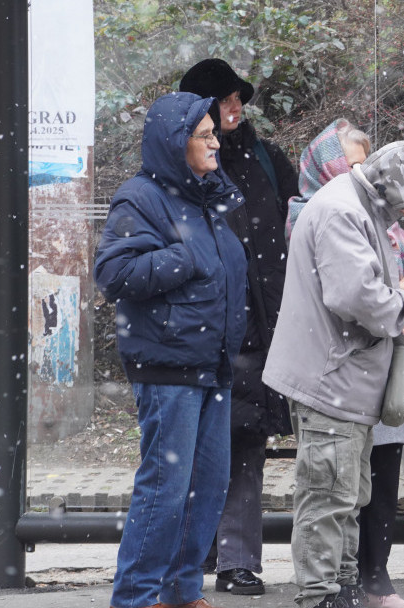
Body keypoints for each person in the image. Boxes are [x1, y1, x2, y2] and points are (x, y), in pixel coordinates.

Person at [263, 140, 404, 608]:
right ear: (393, 187)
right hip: (331, 382)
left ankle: (340, 588)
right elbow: (357, 298)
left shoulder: (354, 204)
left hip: (341, 380)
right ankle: (322, 595)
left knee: (347, 494)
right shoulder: (344, 212)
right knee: (328, 498)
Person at [95, 91, 248, 608]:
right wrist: (183, 257)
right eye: (204, 135)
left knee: (208, 485)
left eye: (214, 134)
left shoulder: (207, 195)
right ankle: (136, 597)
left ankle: (180, 593)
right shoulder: (140, 196)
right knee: (165, 487)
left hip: (212, 363)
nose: (215, 143)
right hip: (167, 366)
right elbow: (114, 274)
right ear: (174, 141)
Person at [178, 58, 298, 597]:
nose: (235, 108)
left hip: (261, 320)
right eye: (225, 99)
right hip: (200, 326)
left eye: (238, 99)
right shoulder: (179, 163)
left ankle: (237, 560)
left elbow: (295, 228)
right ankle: (196, 551)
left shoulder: (267, 158)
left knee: (245, 439)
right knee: (192, 442)